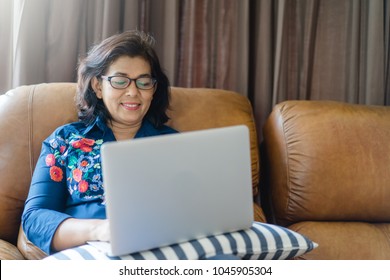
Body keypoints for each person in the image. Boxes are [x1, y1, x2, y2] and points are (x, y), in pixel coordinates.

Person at [22, 30, 178, 255]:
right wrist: (99, 230)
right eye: (120, 81)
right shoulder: (65, 141)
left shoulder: (175, 144)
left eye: (144, 82)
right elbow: (35, 217)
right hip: (91, 253)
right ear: (98, 86)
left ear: (153, 89)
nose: (133, 92)